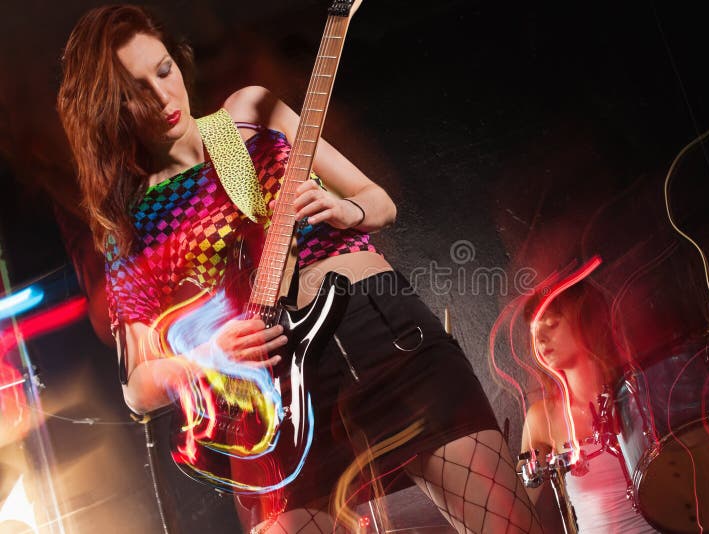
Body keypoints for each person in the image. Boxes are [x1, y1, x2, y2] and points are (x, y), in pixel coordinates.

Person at [57, 5, 542, 533]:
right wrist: (206, 356)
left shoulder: (249, 112)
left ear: (179, 61)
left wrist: (346, 210)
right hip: (280, 400)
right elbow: (137, 388)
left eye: (164, 69)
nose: (161, 96)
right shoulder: (129, 224)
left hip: (382, 335)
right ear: (109, 107)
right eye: (134, 89)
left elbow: (377, 202)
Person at [519, 280, 656, 533]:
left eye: (551, 324)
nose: (540, 338)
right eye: (535, 330)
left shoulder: (639, 394)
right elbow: (515, 506)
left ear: (585, 321)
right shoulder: (542, 419)